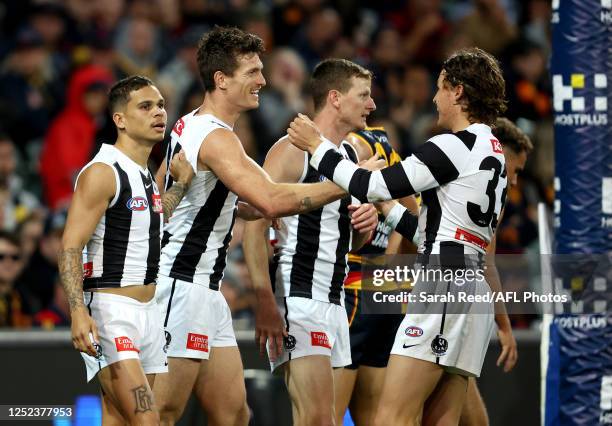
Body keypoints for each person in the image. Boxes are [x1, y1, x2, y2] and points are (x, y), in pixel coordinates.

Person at [152, 28, 375, 426]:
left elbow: (175, 193)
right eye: (253, 71)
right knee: (161, 412)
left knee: (235, 414)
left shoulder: (193, 125)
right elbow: (271, 200)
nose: (263, 81)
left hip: (205, 288)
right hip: (182, 282)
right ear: (222, 79)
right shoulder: (218, 140)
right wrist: (352, 182)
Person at [288, 47, 508, 425]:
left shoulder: (453, 145)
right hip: (472, 287)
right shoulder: (495, 150)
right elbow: (433, 230)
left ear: (458, 91)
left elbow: (370, 184)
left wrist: (317, 147)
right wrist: (390, 213)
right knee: (441, 419)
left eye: (440, 88)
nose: (435, 98)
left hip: (443, 283)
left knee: (391, 417)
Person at [243, 58, 384, 426]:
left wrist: (364, 225)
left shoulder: (353, 155)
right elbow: (255, 226)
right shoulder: (291, 151)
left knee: (326, 420)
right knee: (318, 420)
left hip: (335, 302)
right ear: (335, 98)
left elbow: (346, 233)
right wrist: (264, 300)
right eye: (364, 96)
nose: (372, 105)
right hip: (299, 298)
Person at [59, 75, 194, 425]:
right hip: (111, 312)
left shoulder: (144, 172)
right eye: (146, 106)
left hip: (148, 313)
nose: (158, 112)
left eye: (161, 105)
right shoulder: (103, 171)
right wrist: (77, 311)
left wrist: (180, 185)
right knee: (147, 419)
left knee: (118, 417)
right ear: (120, 119)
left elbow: (153, 215)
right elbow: (71, 246)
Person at [336, 126, 419, 426]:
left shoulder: (356, 144)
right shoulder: (390, 152)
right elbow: (413, 213)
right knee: (373, 418)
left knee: (324, 415)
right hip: (388, 288)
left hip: (355, 283)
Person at [459, 117, 531, 426]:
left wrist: (503, 324)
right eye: (515, 170)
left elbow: (486, 262)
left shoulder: (488, 195)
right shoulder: (474, 185)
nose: (514, 182)